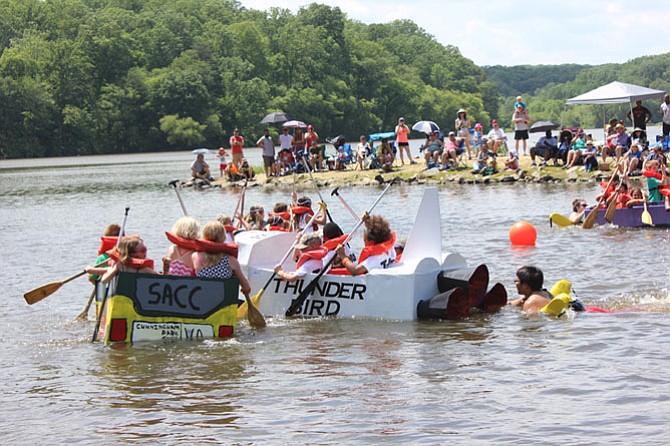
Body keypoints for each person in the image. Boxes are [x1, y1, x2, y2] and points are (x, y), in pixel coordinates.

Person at [192, 221, 251, 297]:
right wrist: (246, 290)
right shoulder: (231, 260)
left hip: (202, 302)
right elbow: (246, 287)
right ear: (223, 237)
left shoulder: (195, 257)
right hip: (224, 304)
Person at [87, 237, 157, 284]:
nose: (145, 252)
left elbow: (104, 280)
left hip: (122, 301)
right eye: (143, 250)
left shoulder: (120, 266)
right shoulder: (145, 270)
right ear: (133, 254)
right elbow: (161, 278)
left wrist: (90, 269)